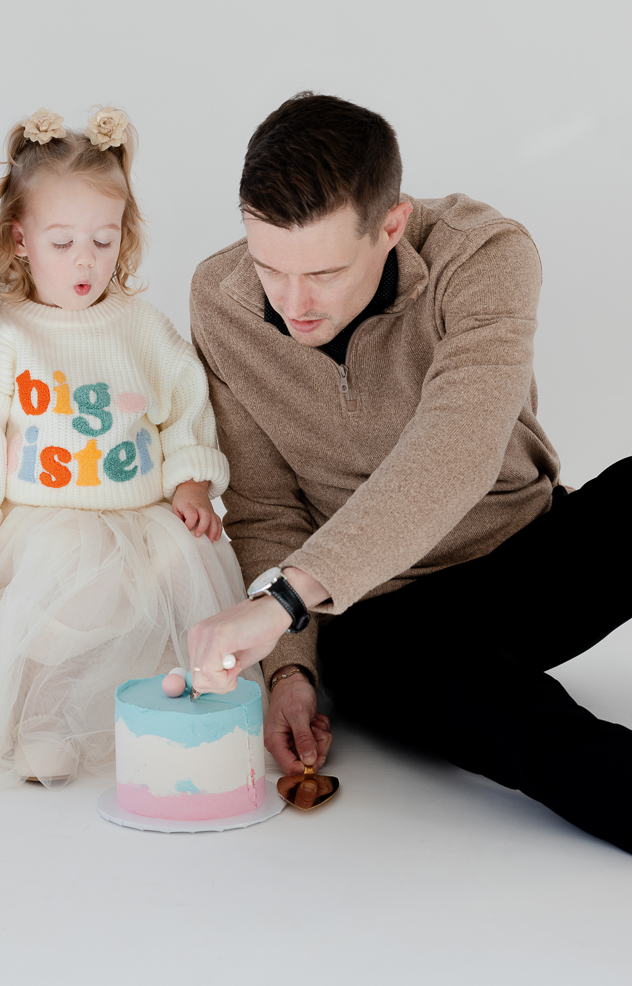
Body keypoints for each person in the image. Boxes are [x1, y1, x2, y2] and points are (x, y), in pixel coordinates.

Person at [187, 91, 632, 853]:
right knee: (478, 706)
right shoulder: (219, 301)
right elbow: (262, 507)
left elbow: (456, 447)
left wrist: (283, 601)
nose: (292, 304)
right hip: (381, 615)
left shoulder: (483, 253)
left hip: (526, 559)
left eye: (322, 273)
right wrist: (289, 669)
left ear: (390, 224)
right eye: (269, 268)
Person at [0, 106, 252, 787]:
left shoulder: (140, 327)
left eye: (103, 241)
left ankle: (183, 714)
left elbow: (186, 407)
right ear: (19, 239)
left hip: (138, 521)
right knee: (59, 617)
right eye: (63, 242)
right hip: (48, 524)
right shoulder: (4, 334)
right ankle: (44, 723)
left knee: (171, 597)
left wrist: (191, 480)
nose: (85, 260)